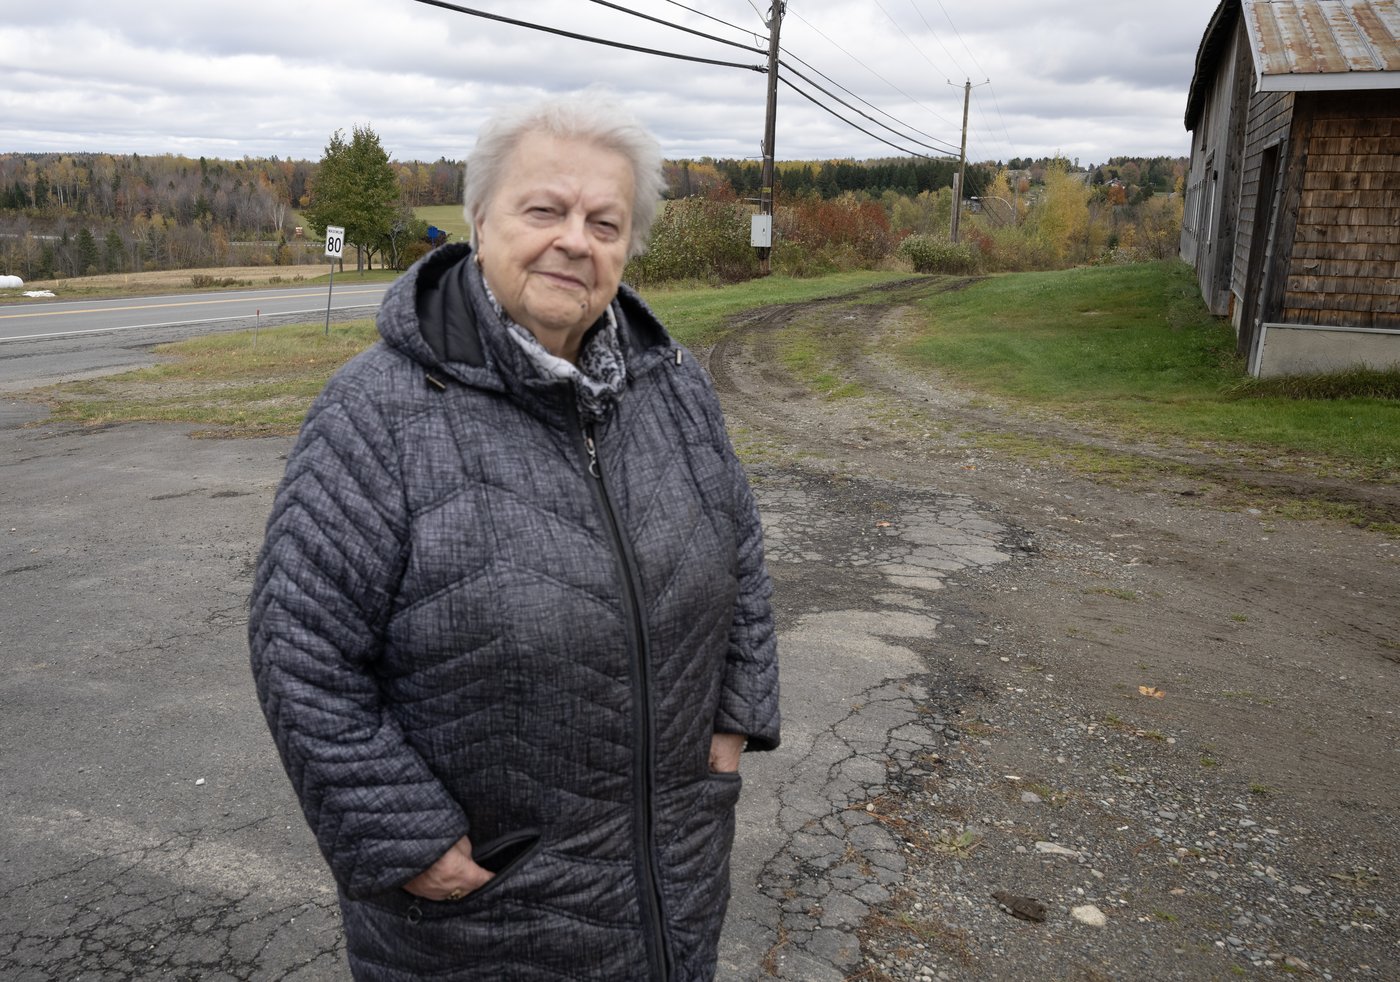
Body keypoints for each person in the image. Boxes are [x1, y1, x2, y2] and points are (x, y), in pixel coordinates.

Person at [248, 93, 780, 981]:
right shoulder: (376, 411)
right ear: (480, 218)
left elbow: (742, 556)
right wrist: (400, 834)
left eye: (605, 222)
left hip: (674, 873)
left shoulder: (672, 384)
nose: (577, 238)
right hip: (485, 904)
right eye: (546, 210)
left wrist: (735, 719)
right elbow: (299, 646)